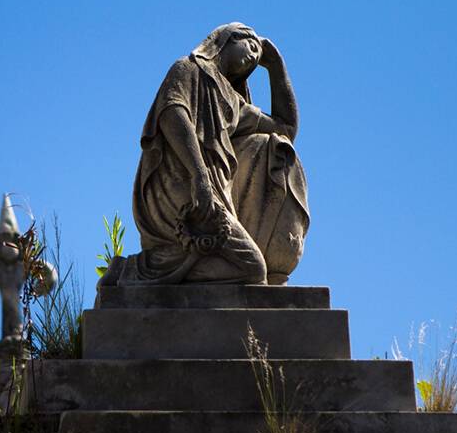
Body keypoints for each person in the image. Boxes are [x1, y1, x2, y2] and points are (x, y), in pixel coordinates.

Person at [108, 22, 309, 286]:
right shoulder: (189, 69)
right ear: (227, 39)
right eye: (249, 45)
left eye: (257, 58)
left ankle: (141, 268)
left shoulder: (233, 102)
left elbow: (286, 128)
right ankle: (139, 270)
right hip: (181, 187)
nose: (253, 56)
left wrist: (276, 66)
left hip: (213, 194)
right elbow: (172, 113)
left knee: (245, 269)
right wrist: (200, 177)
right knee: (252, 269)